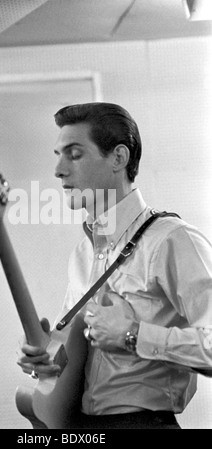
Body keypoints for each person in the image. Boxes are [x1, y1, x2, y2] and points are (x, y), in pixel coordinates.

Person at [17, 102, 212, 429]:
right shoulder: (82, 253)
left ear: (118, 158)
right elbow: (74, 357)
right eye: (58, 155)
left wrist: (134, 335)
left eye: (74, 154)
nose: (59, 170)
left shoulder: (172, 241)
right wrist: (46, 361)